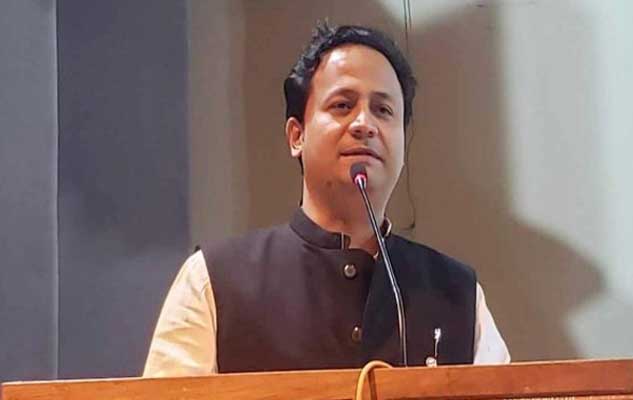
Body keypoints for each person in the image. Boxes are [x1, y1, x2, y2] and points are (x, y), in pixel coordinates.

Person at [143, 22, 509, 377]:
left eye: (383, 110)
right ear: (296, 136)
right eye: (342, 105)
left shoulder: (459, 294)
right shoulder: (213, 281)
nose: (364, 124)